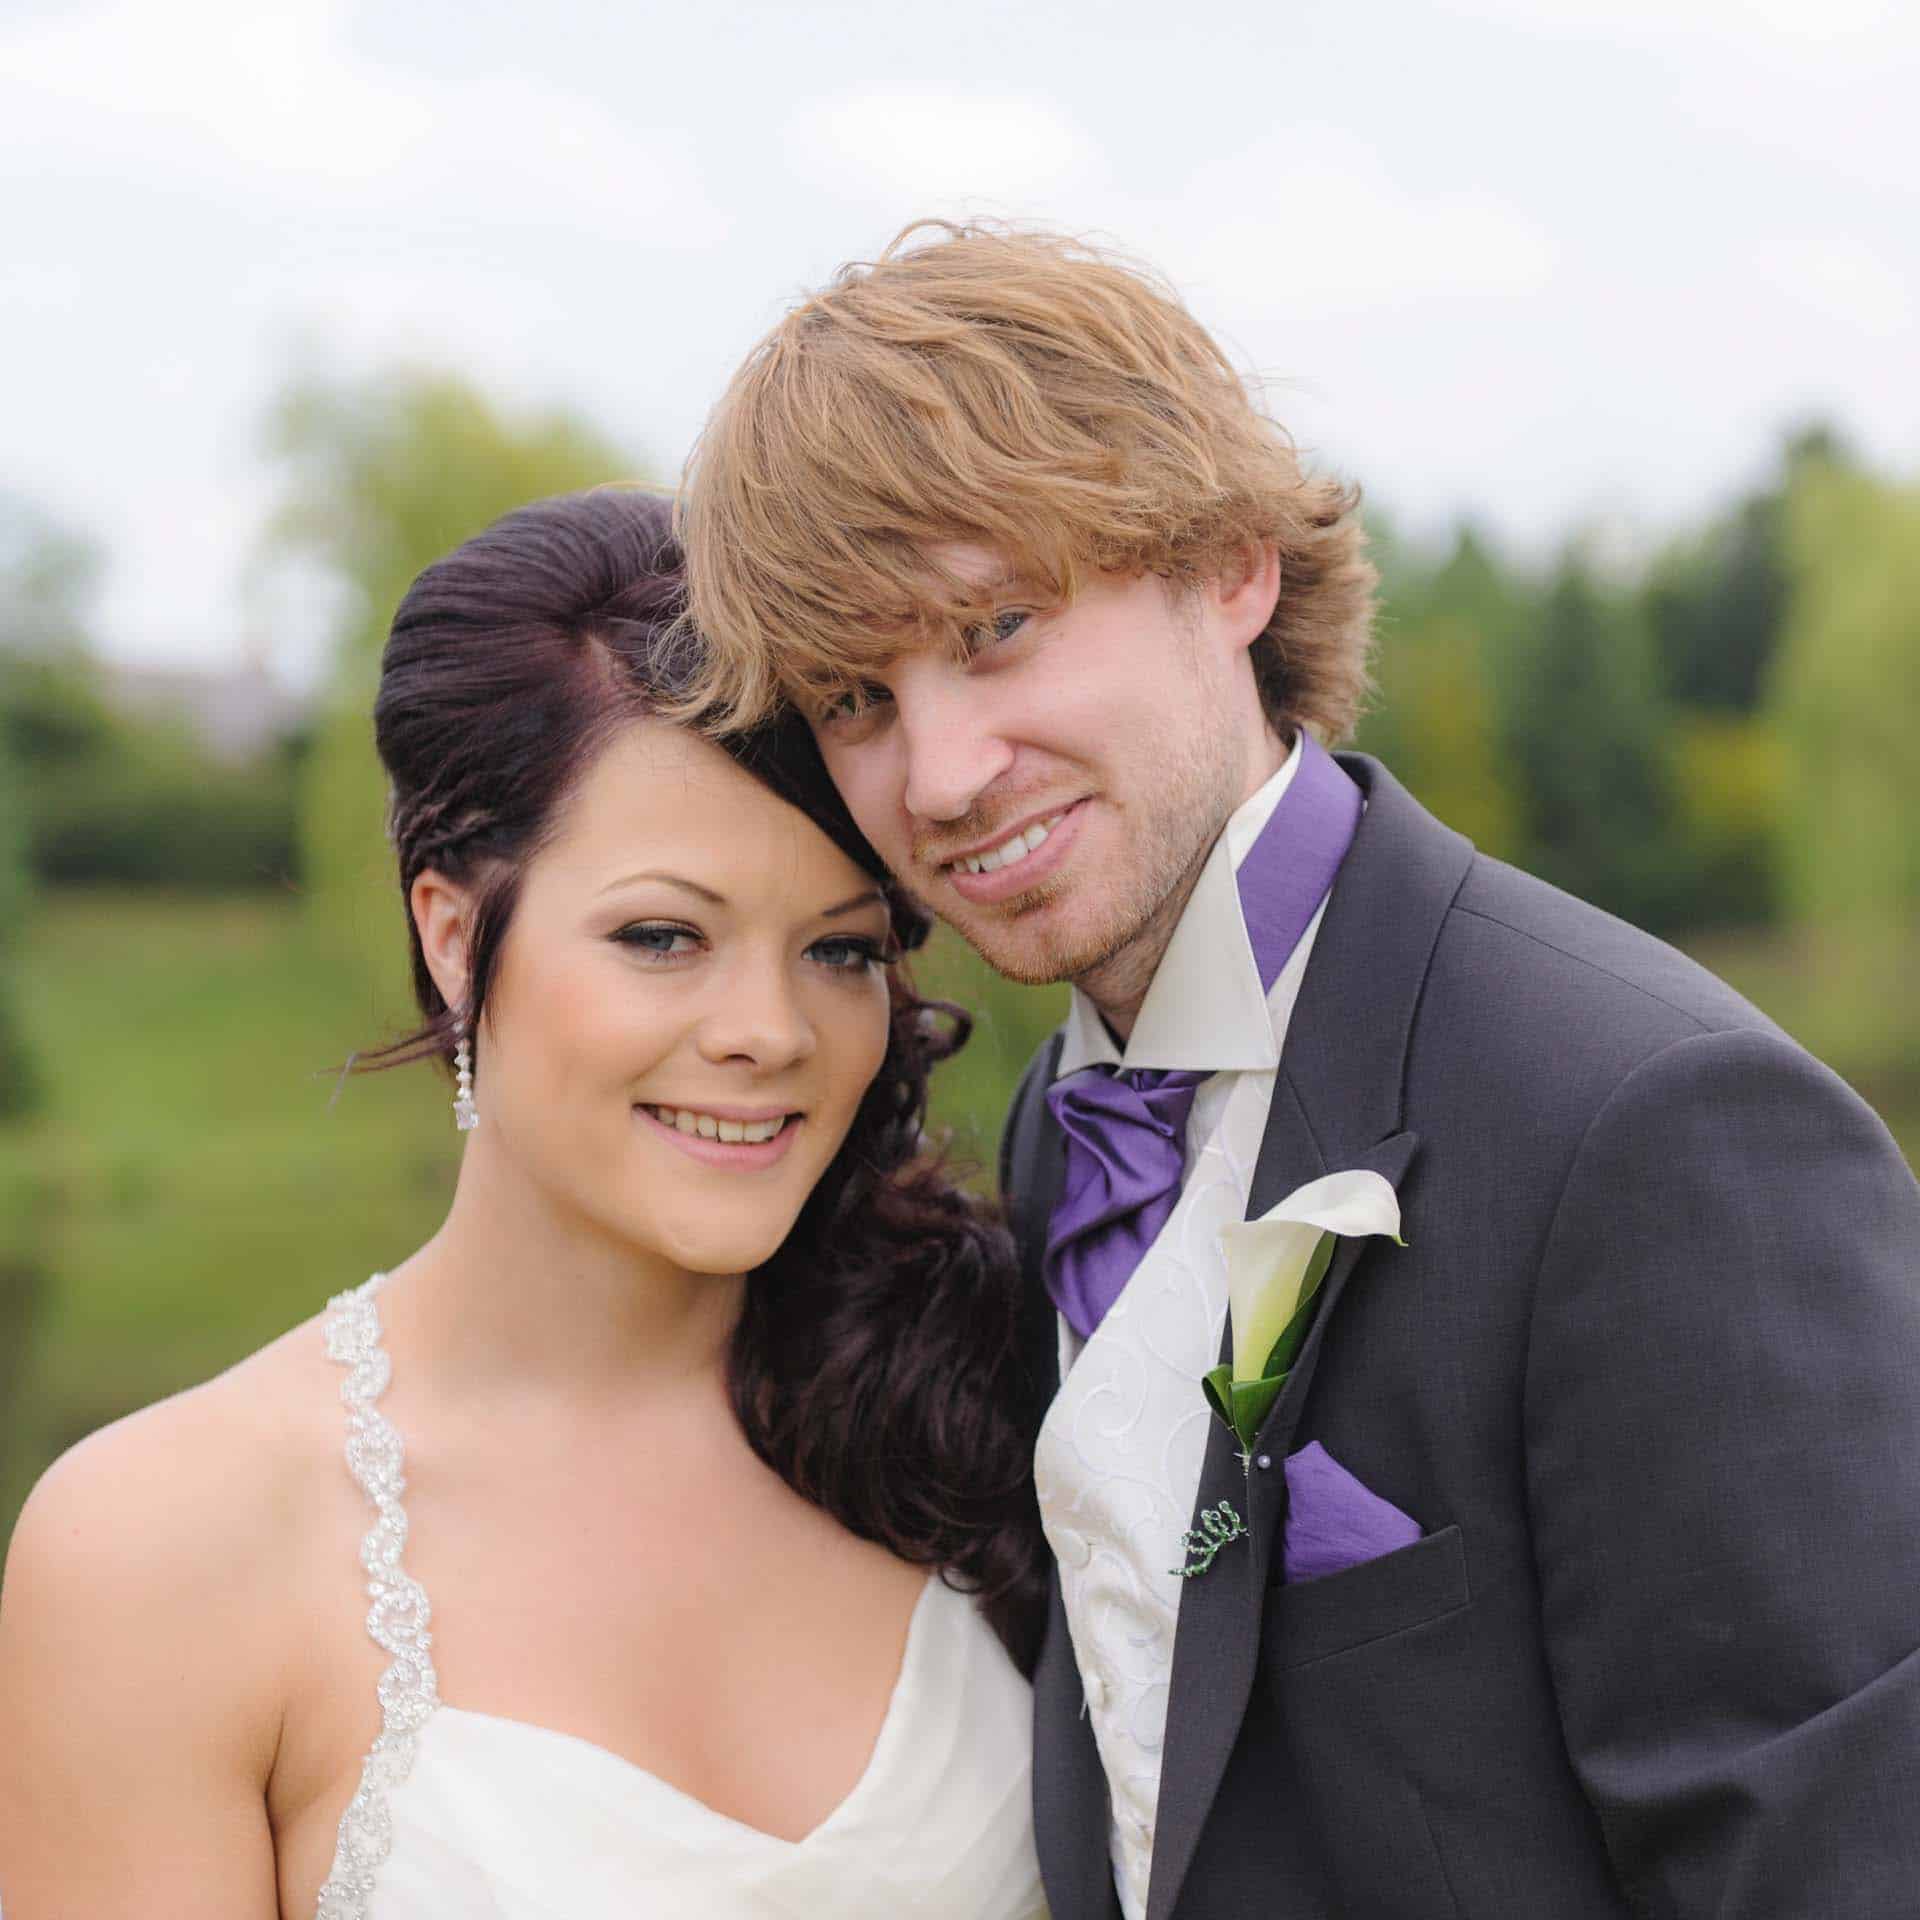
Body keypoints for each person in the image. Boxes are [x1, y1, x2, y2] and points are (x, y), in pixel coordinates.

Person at [676, 221, 1920, 1920]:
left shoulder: (1657, 1127)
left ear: (1231, 566)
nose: (945, 774)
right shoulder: (1059, 1135)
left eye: (1001, 626)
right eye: (855, 698)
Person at [0, 490, 1049, 1918]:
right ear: (451, 935)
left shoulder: (989, 1399)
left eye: (840, 952)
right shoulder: (158, 1549)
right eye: (663, 935)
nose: (769, 1032)